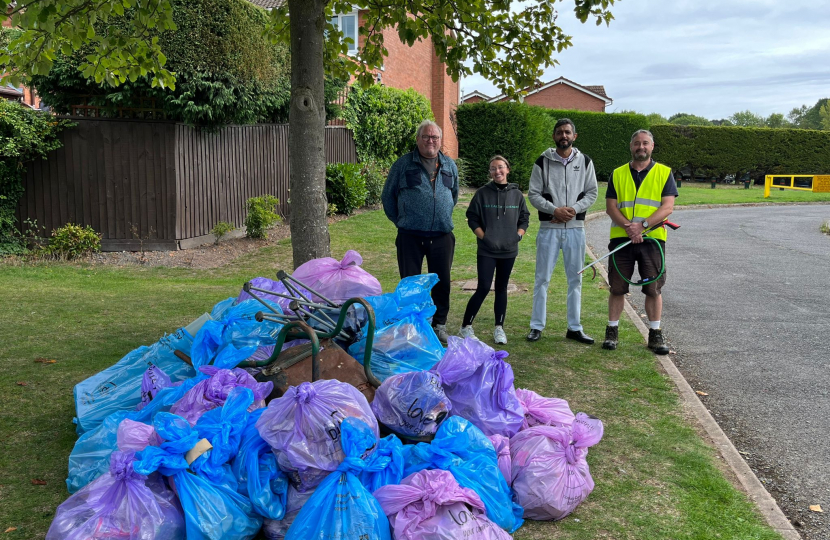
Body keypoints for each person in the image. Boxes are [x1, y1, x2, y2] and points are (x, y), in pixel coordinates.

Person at [381, 119, 459, 344]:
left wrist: (440, 215)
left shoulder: (449, 165)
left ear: (440, 140)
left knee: (442, 282)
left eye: (435, 137)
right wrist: (402, 221)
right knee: (410, 283)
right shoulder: (403, 164)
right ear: (418, 139)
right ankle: (411, 326)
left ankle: (439, 325)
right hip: (410, 236)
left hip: (442, 235)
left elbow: (452, 195)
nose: (430, 141)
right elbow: (388, 197)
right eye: (426, 136)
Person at [602, 129, 678, 354]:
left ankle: (655, 334)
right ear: (631, 146)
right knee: (617, 287)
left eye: (645, 143)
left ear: (652, 146)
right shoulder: (617, 173)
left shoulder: (664, 173)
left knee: (653, 288)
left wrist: (642, 226)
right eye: (637, 143)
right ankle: (612, 332)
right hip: (621, 239)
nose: (641, 147)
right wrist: (629, 228)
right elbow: (610, 207)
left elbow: (668, 207)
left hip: (652, 240)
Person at [526, 118, 598, 344]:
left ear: (574, 136)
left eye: (567, 132)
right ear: (554, 136)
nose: (563, 136)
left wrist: (573, 210)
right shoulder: (542, 161)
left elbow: (592, 193)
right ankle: (536, 326)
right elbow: (533, 194)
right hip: (549, 229)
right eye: (559, 132)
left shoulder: (585, 161)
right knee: (542, 279)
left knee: (575, 280)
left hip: (576, 229)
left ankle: (574, 327)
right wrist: (554, 210)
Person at [459, 155, 530, 344]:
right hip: (487, 250)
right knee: (483, 287)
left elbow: (524, 217)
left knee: (501, 288)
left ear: (507, 169)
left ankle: (499, 328)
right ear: (490, 172)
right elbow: (472, 217)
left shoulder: (517, 194)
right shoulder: (482, 193)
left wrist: (518, 235)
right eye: (492, 169)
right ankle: (465, 326)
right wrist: (484, 236)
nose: (496, 171)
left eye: (500, 167)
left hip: (509, 250)